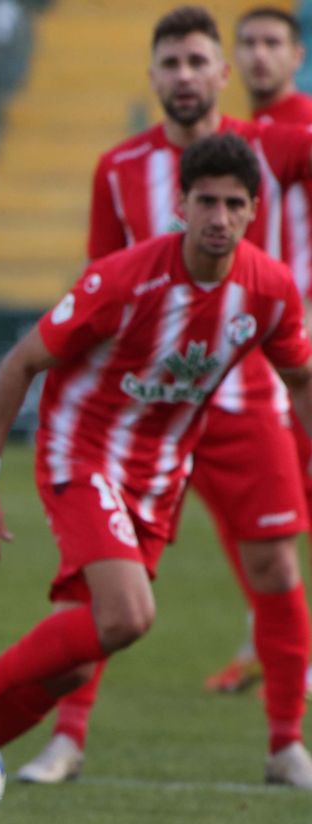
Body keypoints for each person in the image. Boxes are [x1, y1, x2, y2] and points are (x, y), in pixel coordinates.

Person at [0, 133, 312, 824]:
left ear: (255, 211)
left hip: (160, 477)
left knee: (71, 670)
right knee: (129, 617)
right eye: (206, 202)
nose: (219, 217)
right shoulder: (126, 279)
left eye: (234, 203)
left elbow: (299, 378)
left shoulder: (269, 290)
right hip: (84, 454)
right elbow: (21, 363)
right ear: (181, 205)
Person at [16, 5, 312, 787]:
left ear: (226, 74)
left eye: (199, 62)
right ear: (154, 77)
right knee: (105, 582)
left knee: (277, 567)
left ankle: (286, 745)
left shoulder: (277, 147)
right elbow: (98, 286)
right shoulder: (119, 169)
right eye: (172, 64)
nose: (186, 77)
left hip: (245, 394)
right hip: (140, 409)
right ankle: (67, 738)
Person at [200, 5, 312, 695]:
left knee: (278, 506)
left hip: (293, 345)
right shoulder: (235, 141)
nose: (261, 54)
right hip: (251, 345)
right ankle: (267, 641)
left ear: (297, 55)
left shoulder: (297, 131)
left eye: (274, 42)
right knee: (252, 508)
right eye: (250, 43)